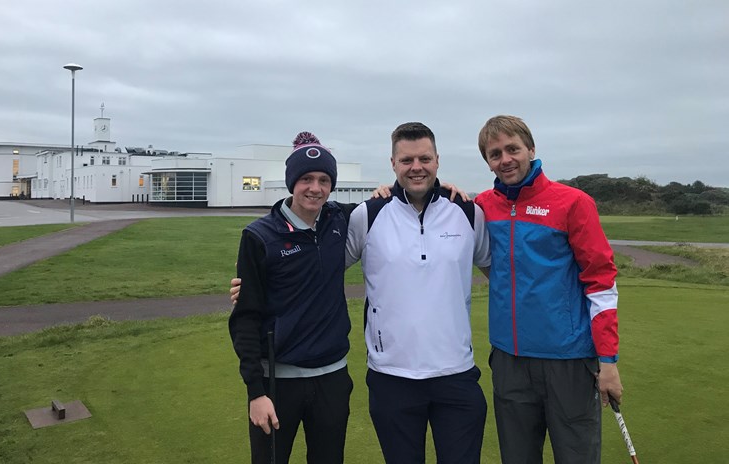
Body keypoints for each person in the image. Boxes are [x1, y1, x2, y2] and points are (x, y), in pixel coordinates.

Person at [473, 115, 623, 463]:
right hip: (510, 360)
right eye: (495, 154)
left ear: (531, 149)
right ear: (488, 162)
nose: (505, 159)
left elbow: (600, 282)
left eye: (513, 148)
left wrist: (608, 360)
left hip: (567, 361)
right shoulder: (483, 206)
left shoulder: (572, 202)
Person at [346, 122, 492, 463]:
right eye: (407, 160)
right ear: (393, 163)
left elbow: (499, 273)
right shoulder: (367, 214)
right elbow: (321, 269)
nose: (416, 167)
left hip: (455, 374)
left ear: (437, 160)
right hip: (391, 376)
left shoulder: (468, 212)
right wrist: (257, 283)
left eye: (424, 158)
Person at [228, 131, 356, 464]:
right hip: (276, 383)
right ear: (291, 183)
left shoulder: (339, 220)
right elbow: (245, 318)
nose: (315, 187)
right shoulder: (259, 236)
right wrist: (255, 392)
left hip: (332, 378)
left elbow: (394, 199)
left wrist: (445, 190)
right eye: (306, 179)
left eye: (324, 179)